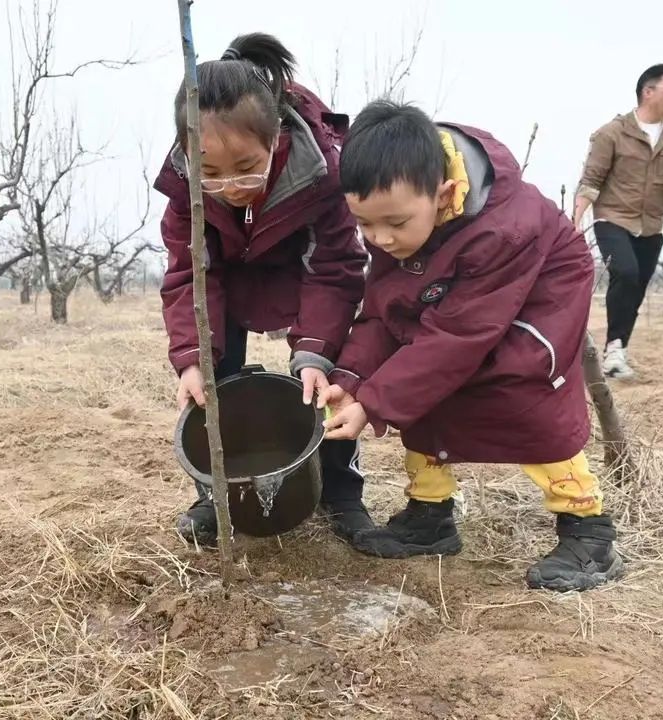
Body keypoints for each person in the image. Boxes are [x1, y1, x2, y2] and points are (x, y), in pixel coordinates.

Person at [318, 100, 623, 593]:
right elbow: (383, 310)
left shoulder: (503, 227)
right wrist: (350, 378)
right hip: (457, 301)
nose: (379, 239)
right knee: (419, 375)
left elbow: (456, 340)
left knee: (520, 391)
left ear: (444, 195)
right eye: (365, 225)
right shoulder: (399, 219)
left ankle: (588, 530)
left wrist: (374, 401)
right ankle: (430, 515)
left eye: (394, 224)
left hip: (539, 295)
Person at [153, 33, 375, 547]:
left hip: (303, 278)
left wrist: (315, 353)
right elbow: (190, 273)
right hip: (227, 282)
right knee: (214, 382)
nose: (230, 186)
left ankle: (340, 492)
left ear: (276, 138)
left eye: (246, 168)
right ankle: (216, 497)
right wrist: (192, 358)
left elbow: (334, 267)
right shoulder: (185, 194)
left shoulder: (322, 175)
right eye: (209, 172)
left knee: (324, 384)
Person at [574, 63, 663, 379]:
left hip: (651, 226)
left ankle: (616, 352)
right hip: (612, 218)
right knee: (626, 273)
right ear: (648, 91)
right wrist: (574, 223)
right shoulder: (612, 133)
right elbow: (591, 179)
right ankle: (612, 350)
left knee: (636, 288)